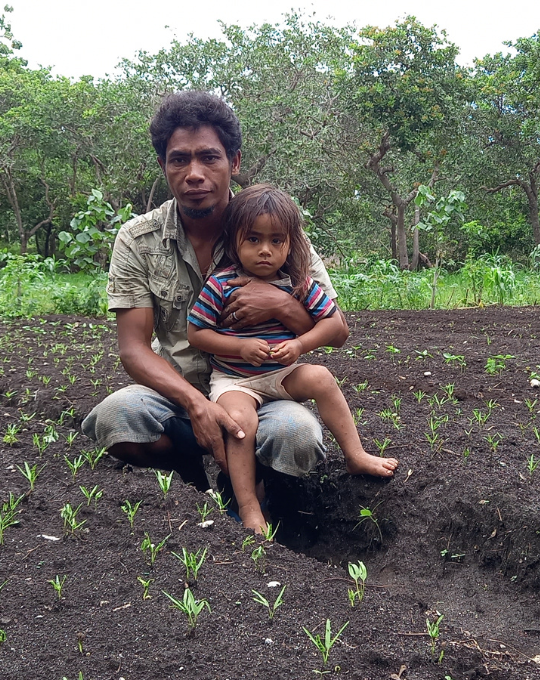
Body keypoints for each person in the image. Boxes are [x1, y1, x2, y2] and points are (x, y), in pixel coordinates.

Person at [81, 91, 348, 492]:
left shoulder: (276, 233)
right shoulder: (137, 239)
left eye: (209, 157)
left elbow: (337, 330)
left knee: (296, 437)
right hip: (177, 396)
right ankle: (190, 476)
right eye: (179, 159)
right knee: (116, 417)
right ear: (163, 166)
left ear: (234, 162)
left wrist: (280, 304)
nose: (194, 173)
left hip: (264, 392)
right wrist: (196, 403)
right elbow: (133, 349)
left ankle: (266, 493)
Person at [187, 184, 398, 532]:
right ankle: (249, 506)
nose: (265, 250)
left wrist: (299, 345)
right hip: (235, 380)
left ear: (290, 243)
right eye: (253, 239)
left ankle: (356, 455)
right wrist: (239, 347)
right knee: (240, 423)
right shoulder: (221, 284)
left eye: (276, 240)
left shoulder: (298, 283)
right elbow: (197, 333)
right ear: (234, 241)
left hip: (281, 373)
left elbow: (333, 324)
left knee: (322, 378)